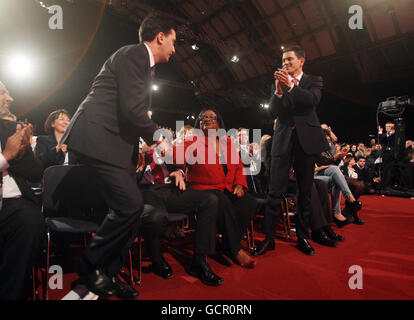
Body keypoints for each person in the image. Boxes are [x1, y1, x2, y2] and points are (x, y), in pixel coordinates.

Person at [60, 14, 177, 300]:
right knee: (130, 204)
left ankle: (107, 275)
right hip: (98, 139)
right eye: (173, 42)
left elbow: (129, 110)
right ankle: (90, 267)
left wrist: (138, 145)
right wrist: (157, 136)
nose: (175, 49)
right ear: (160, 37)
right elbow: (131, 109)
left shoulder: (141, 63)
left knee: (132, 210)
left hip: (113, 143)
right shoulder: (134, 54)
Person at [253, 45, 329, 256]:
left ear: (301, 61)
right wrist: (278, 91)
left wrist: (291, 88)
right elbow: (273, 111)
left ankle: (303, 237)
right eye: (283, 60)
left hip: (306, 142)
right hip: (282, 140)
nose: (285, 63)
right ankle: (269, 238)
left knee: (304, 192)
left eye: (289, 60)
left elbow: (311, 101)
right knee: (274, 191)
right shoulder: (278, 84)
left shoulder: (313, 81)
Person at [174, 108, 257, 268]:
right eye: (203, 117)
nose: (207, 119)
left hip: (226, 187)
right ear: (199, 123)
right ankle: (235, 249)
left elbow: (239, 167)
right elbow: (178, 157)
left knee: (249, 202)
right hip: (203, 188)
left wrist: (239, 184)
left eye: (212, 117)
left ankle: (225, 243)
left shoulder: (227, 142)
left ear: (219, 122)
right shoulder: (193, 140)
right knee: (223, 202)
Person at [138, 141, 223, 286]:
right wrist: (141, 153)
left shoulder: (161, 139)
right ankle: (156, 260)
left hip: (169, 188)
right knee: (157, 215)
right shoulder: (129, 138)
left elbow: (179, 161)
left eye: (149, 116)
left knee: (210, 200)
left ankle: (199, 262)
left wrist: (180, 171)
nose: (148, 116)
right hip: (146, 189)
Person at [0, 81, 45, 300]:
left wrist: (22, 152)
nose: (10, 99)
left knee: (31, 221)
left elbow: (36, 171)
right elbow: (6, 156)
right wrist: (5, 156)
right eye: (3, 93)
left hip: (14, 201)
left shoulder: (11, 129)